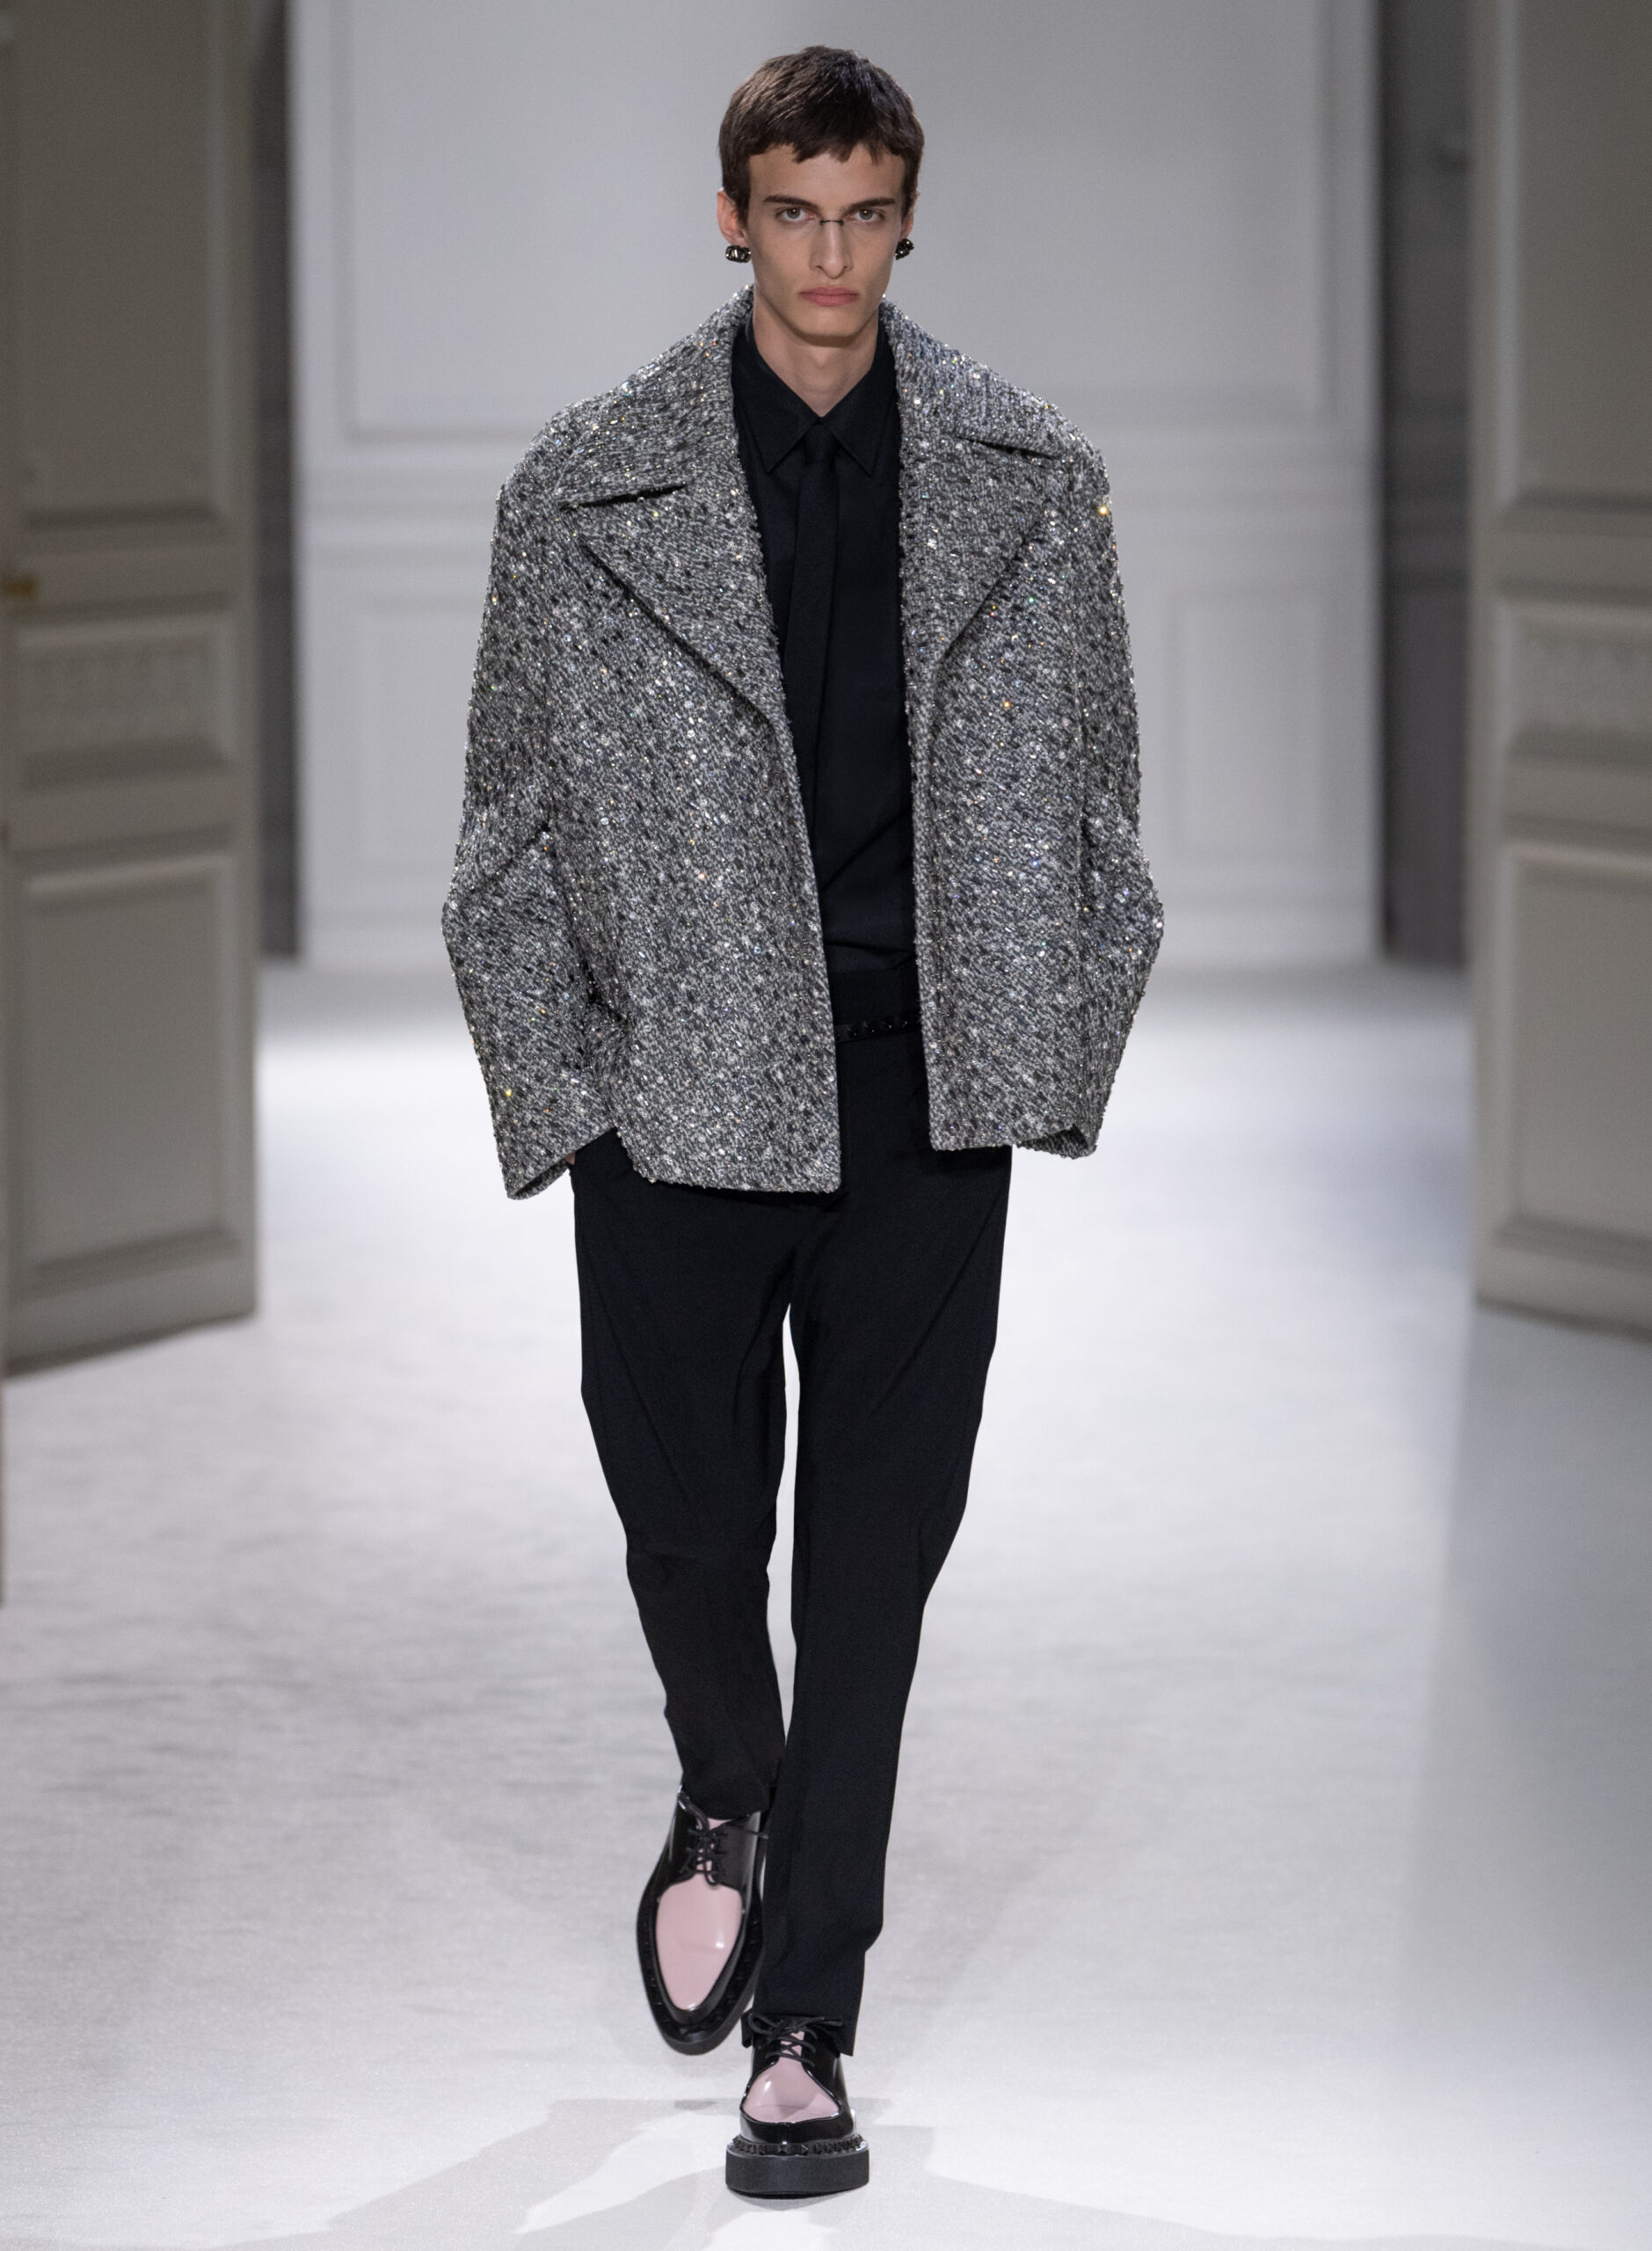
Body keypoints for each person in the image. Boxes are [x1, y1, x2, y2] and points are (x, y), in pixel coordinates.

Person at [444, 44, 1161, 2200]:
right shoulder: (587, 488)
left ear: (906, 217)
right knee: (687, 1529)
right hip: (675, 1089)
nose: (830, 255)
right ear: (733, 217)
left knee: (875, 1560)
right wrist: (569, 1098)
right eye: (793, 212)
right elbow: (506, 828)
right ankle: (724, 1784)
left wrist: (1054, 1041)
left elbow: (1099, 798)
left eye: (864, 214)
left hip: (924, 1090)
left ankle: (804, 2023)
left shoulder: (1031, 475)